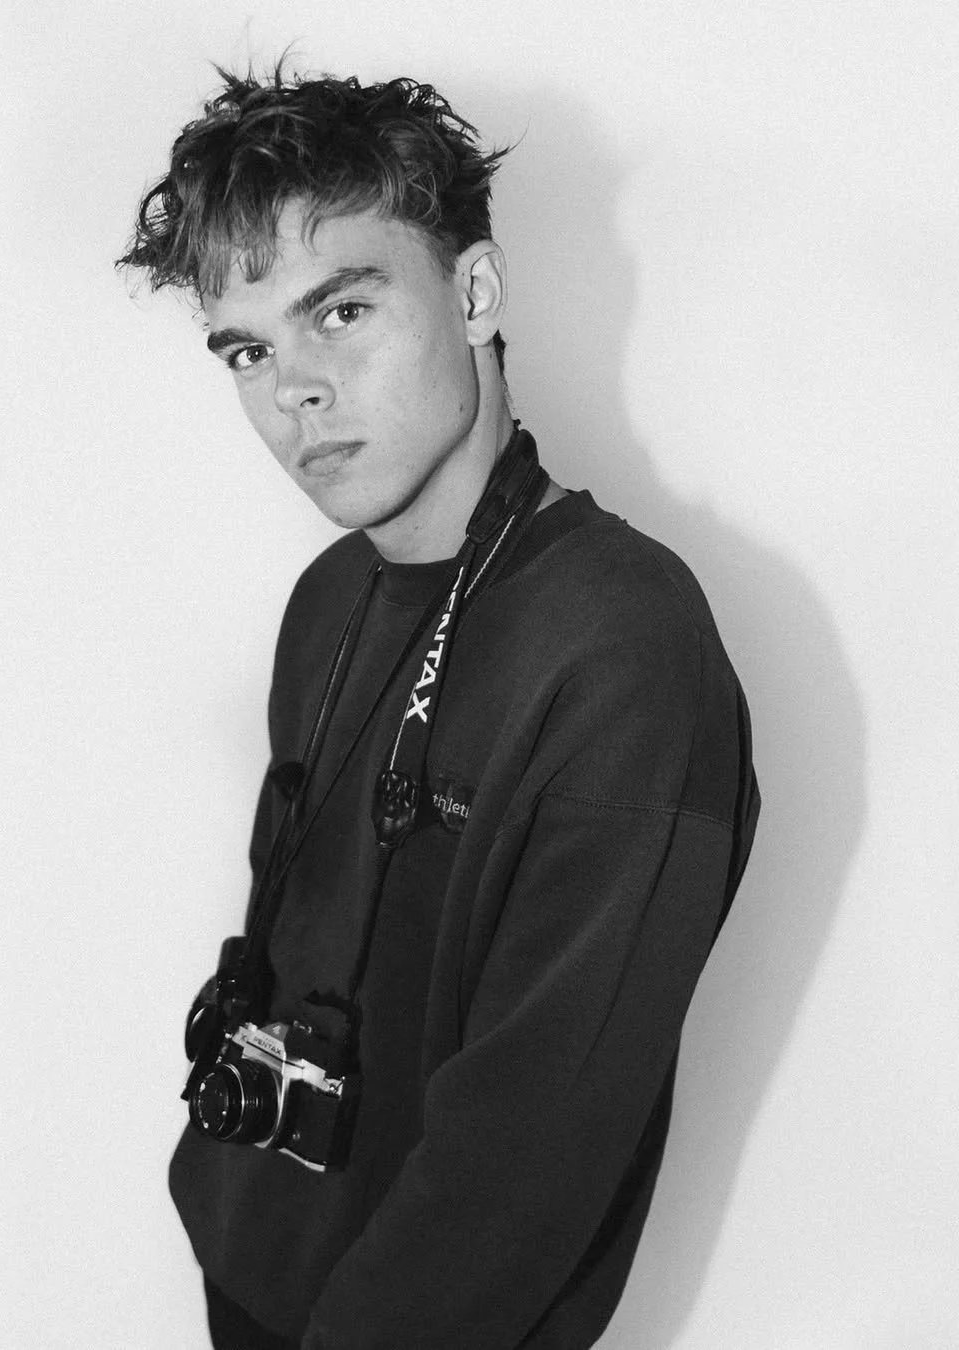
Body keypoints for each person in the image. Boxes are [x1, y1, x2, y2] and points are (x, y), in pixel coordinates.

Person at [118, 62, 760, 1350]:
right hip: (248, 1279)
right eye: (250, 348)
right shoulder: (327, 600)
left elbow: (529, 1160)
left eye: (341, 311)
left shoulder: (623, 645)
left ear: (472, 290)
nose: (293, 391)